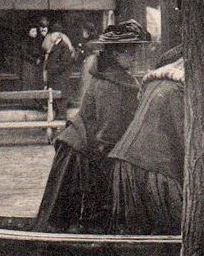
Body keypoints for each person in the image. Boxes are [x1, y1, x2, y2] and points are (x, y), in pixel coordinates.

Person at [108, 44, 204, 234]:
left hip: (127, 165)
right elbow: (192, 147)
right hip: (154, 172)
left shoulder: (159, 81)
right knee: (182, 231)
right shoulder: (183, 93)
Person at [33, 21, 149, 232]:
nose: (134, 55)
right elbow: (106, 137)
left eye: (135, 50)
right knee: (73, 221)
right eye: (128, 51)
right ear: (115, 54)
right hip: (81, 156)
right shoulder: (109, 85)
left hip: (86, 150)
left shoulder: (115, 78)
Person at [42, 20, 78, 117]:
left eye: (52, 34)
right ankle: (58, 117)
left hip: (60, 78)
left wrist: (55, 70)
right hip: (55, 77)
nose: (50, 37)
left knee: (61, 98)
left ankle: (61, 118)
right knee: (56, 99)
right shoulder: (55, 46)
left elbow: (65, 63)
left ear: (58, 35)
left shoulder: (63, 47)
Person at [21, 21, 46, 90]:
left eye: (35, 31)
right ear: (28, 32)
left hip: (38, 65)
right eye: (32, 31)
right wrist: (34, 60)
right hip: (29, 64)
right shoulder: (26, 42)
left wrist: (40, 58)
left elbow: (43, 51)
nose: (35, 33)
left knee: (37, 81)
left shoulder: (39, 41)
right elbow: (24, 53)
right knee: (29, 81)